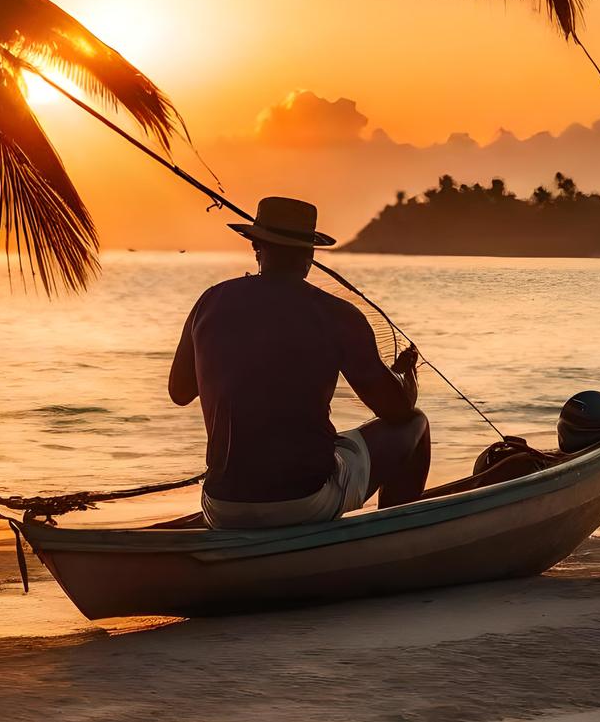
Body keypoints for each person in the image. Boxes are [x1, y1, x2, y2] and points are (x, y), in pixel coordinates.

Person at [169, 196, 430, 529]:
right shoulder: (337, 315)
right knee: (416, 425)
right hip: (305, 501)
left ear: (257, 248)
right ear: (309, 255)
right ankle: (394, 541)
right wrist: (407, 378)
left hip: (221, 506)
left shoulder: (210, 301)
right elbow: (396, 412)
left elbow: (179, 392)